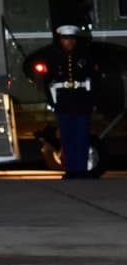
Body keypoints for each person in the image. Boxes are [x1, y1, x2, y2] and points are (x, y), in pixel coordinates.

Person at [41, 24, 99, 179]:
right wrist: (52, 102)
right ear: (61, 40)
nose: (69, 42)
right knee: (67, 139)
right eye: (66, 39)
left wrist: (92, 101)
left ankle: (81, 170)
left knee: (81, 138)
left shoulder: (85, 57)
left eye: (72, 39)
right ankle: (70, 170)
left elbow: (94, 80)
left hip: (81, 101)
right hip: (63, 102)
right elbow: (47, 82)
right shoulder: (53, 57)